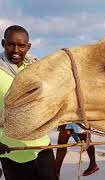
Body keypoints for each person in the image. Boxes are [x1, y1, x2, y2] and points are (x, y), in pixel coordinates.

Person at [0, 25, 58, 180]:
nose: (16, 50)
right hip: (11, 148)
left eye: (21, 45)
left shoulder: (36, 68)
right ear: (3, 43)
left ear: (28, 46)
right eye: (11, 44)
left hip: (42, 144)